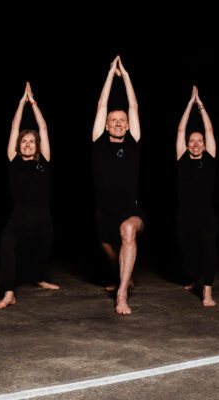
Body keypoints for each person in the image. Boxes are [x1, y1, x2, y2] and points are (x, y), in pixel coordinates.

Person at [0, 82, 59, 309]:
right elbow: (14, 128)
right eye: (24, 141)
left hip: (43, 220)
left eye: (31, 141)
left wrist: (33, 103)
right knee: (6, 244)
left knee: (41, 253)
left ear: (37, 145)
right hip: (18, 219)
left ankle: (39, 278)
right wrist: (21, 103)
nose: (28, 144)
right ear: (19, 146)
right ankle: (9, 292)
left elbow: (43, 128)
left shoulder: (44, 160)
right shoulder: (14, 161)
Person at [91, 55, 144, 315]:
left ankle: (122, 293)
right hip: (103, 213)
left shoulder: (132, 144)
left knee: (127, 232)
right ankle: (124, 276)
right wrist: (111, 73)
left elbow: (133, 106)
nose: (119, 122)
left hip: (129, 211)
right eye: (114, 120)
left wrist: (127, 77)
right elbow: (102, 103)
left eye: (122, 120)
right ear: (106, 125)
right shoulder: (99, 143)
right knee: (111, 252)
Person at [175, 86, 218, 306]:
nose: (195, 143)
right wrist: (188, 105)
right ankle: (198, 276)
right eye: (192, 141)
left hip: (206, 214)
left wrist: (199, 104)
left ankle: (207, 291)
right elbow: (181, 130)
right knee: (190, 252)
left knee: (209, 248)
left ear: (203, 144)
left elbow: (209, 130)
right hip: (185, 216)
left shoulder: (209, 159)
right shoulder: (182, 158)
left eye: (199, 140)